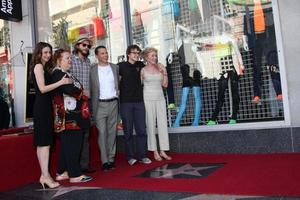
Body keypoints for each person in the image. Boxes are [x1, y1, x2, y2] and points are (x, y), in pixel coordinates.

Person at [30, 42, 72, 189]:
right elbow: (42, 89)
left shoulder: (44, 67)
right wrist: (61, 82)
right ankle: (45, 176)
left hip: (45, 107)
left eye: (49, 52)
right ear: (39, 53)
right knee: (44, 144)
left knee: (44, 144)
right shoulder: (38, 66)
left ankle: (44, 175)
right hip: (42, 108)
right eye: (45, 52)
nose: (47, 55)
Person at [52, 49, 92, 183]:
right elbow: (69, 90)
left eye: (70, 58)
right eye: (67, 58)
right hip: (69, 118)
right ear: (58, 60)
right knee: (73, 146)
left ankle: (62, 172)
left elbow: (74, 88)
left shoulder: (66, 74)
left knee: (67, 146)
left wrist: (80, 91)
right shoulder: (58, 73)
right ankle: (75, 175)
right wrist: (82, 93)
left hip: (73, 116)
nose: (70, 61)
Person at [118, 44, 152, 165]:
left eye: (138, 53)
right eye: (134, 53)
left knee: (141, 130)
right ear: (128, 54)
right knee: (128, 131)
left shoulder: (140, 65)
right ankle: (130, 157)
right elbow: (116, 82)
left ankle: (143, 155)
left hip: (139, 102)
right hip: (125, 102)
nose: (136, 55)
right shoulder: (120, 66)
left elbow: (152, 65)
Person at [90, 46, 119, 171]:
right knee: (102, 133)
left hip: (113, 103)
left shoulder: (115, 67)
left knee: (112, 132)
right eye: (102, 53)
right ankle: (104, 161)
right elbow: (91, 89)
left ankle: (111, 158)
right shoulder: (92, 70)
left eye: (106, 53)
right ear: (97, 56)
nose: (105, 55)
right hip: (99, 105)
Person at [141, 47, 172, 161]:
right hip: (148, 99)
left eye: (155, 55)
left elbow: (165, 85)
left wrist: (164, 73)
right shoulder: (142, 70)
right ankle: (154, 151)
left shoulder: (160, 67)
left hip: (160, 98)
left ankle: (163, 150)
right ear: (146, 57)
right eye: (152, 55)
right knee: (150, 124)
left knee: (163, 124)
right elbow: (139, 86)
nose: (154, 57)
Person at [70, 36, 95, 173]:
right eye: (84, 45)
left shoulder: (88, 62)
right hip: (74, 101)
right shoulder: (71, 60)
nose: (86, 47)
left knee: (86, 133)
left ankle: (84, 165)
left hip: (87, 101)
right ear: (77, 45)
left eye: (88, 46)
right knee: (75, 133)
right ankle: (74, 166)